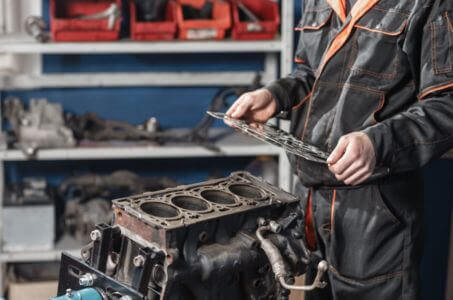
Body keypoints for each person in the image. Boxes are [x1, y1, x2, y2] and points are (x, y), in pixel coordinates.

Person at [226, 0, 453, 299]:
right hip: (310, 202)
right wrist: (275, 96)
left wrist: (378, 143)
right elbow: (311, 74)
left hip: (376, 211)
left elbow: (446, 104)